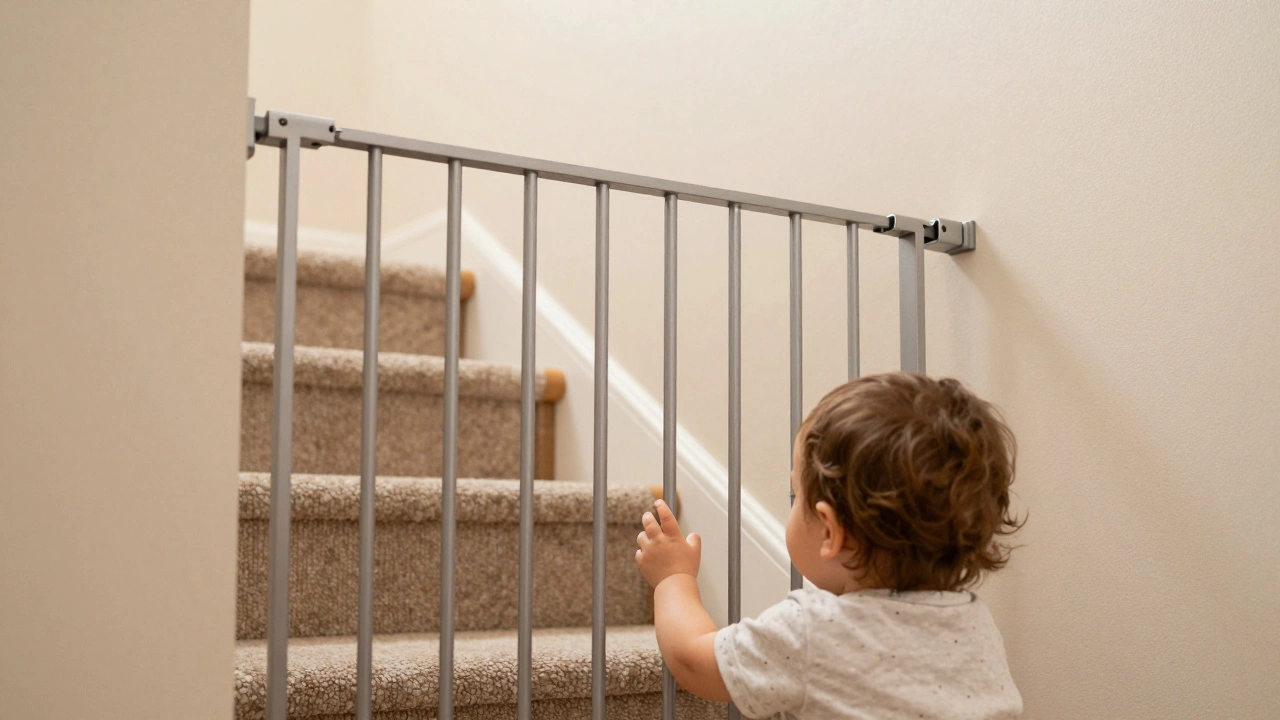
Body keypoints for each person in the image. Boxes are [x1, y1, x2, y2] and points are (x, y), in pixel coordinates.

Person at [635, 373, 1025, 718]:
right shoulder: (974, 624)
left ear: (830, 531)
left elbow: (692, 660)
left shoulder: (811, 629)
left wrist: (674, 577)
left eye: (795, 496)